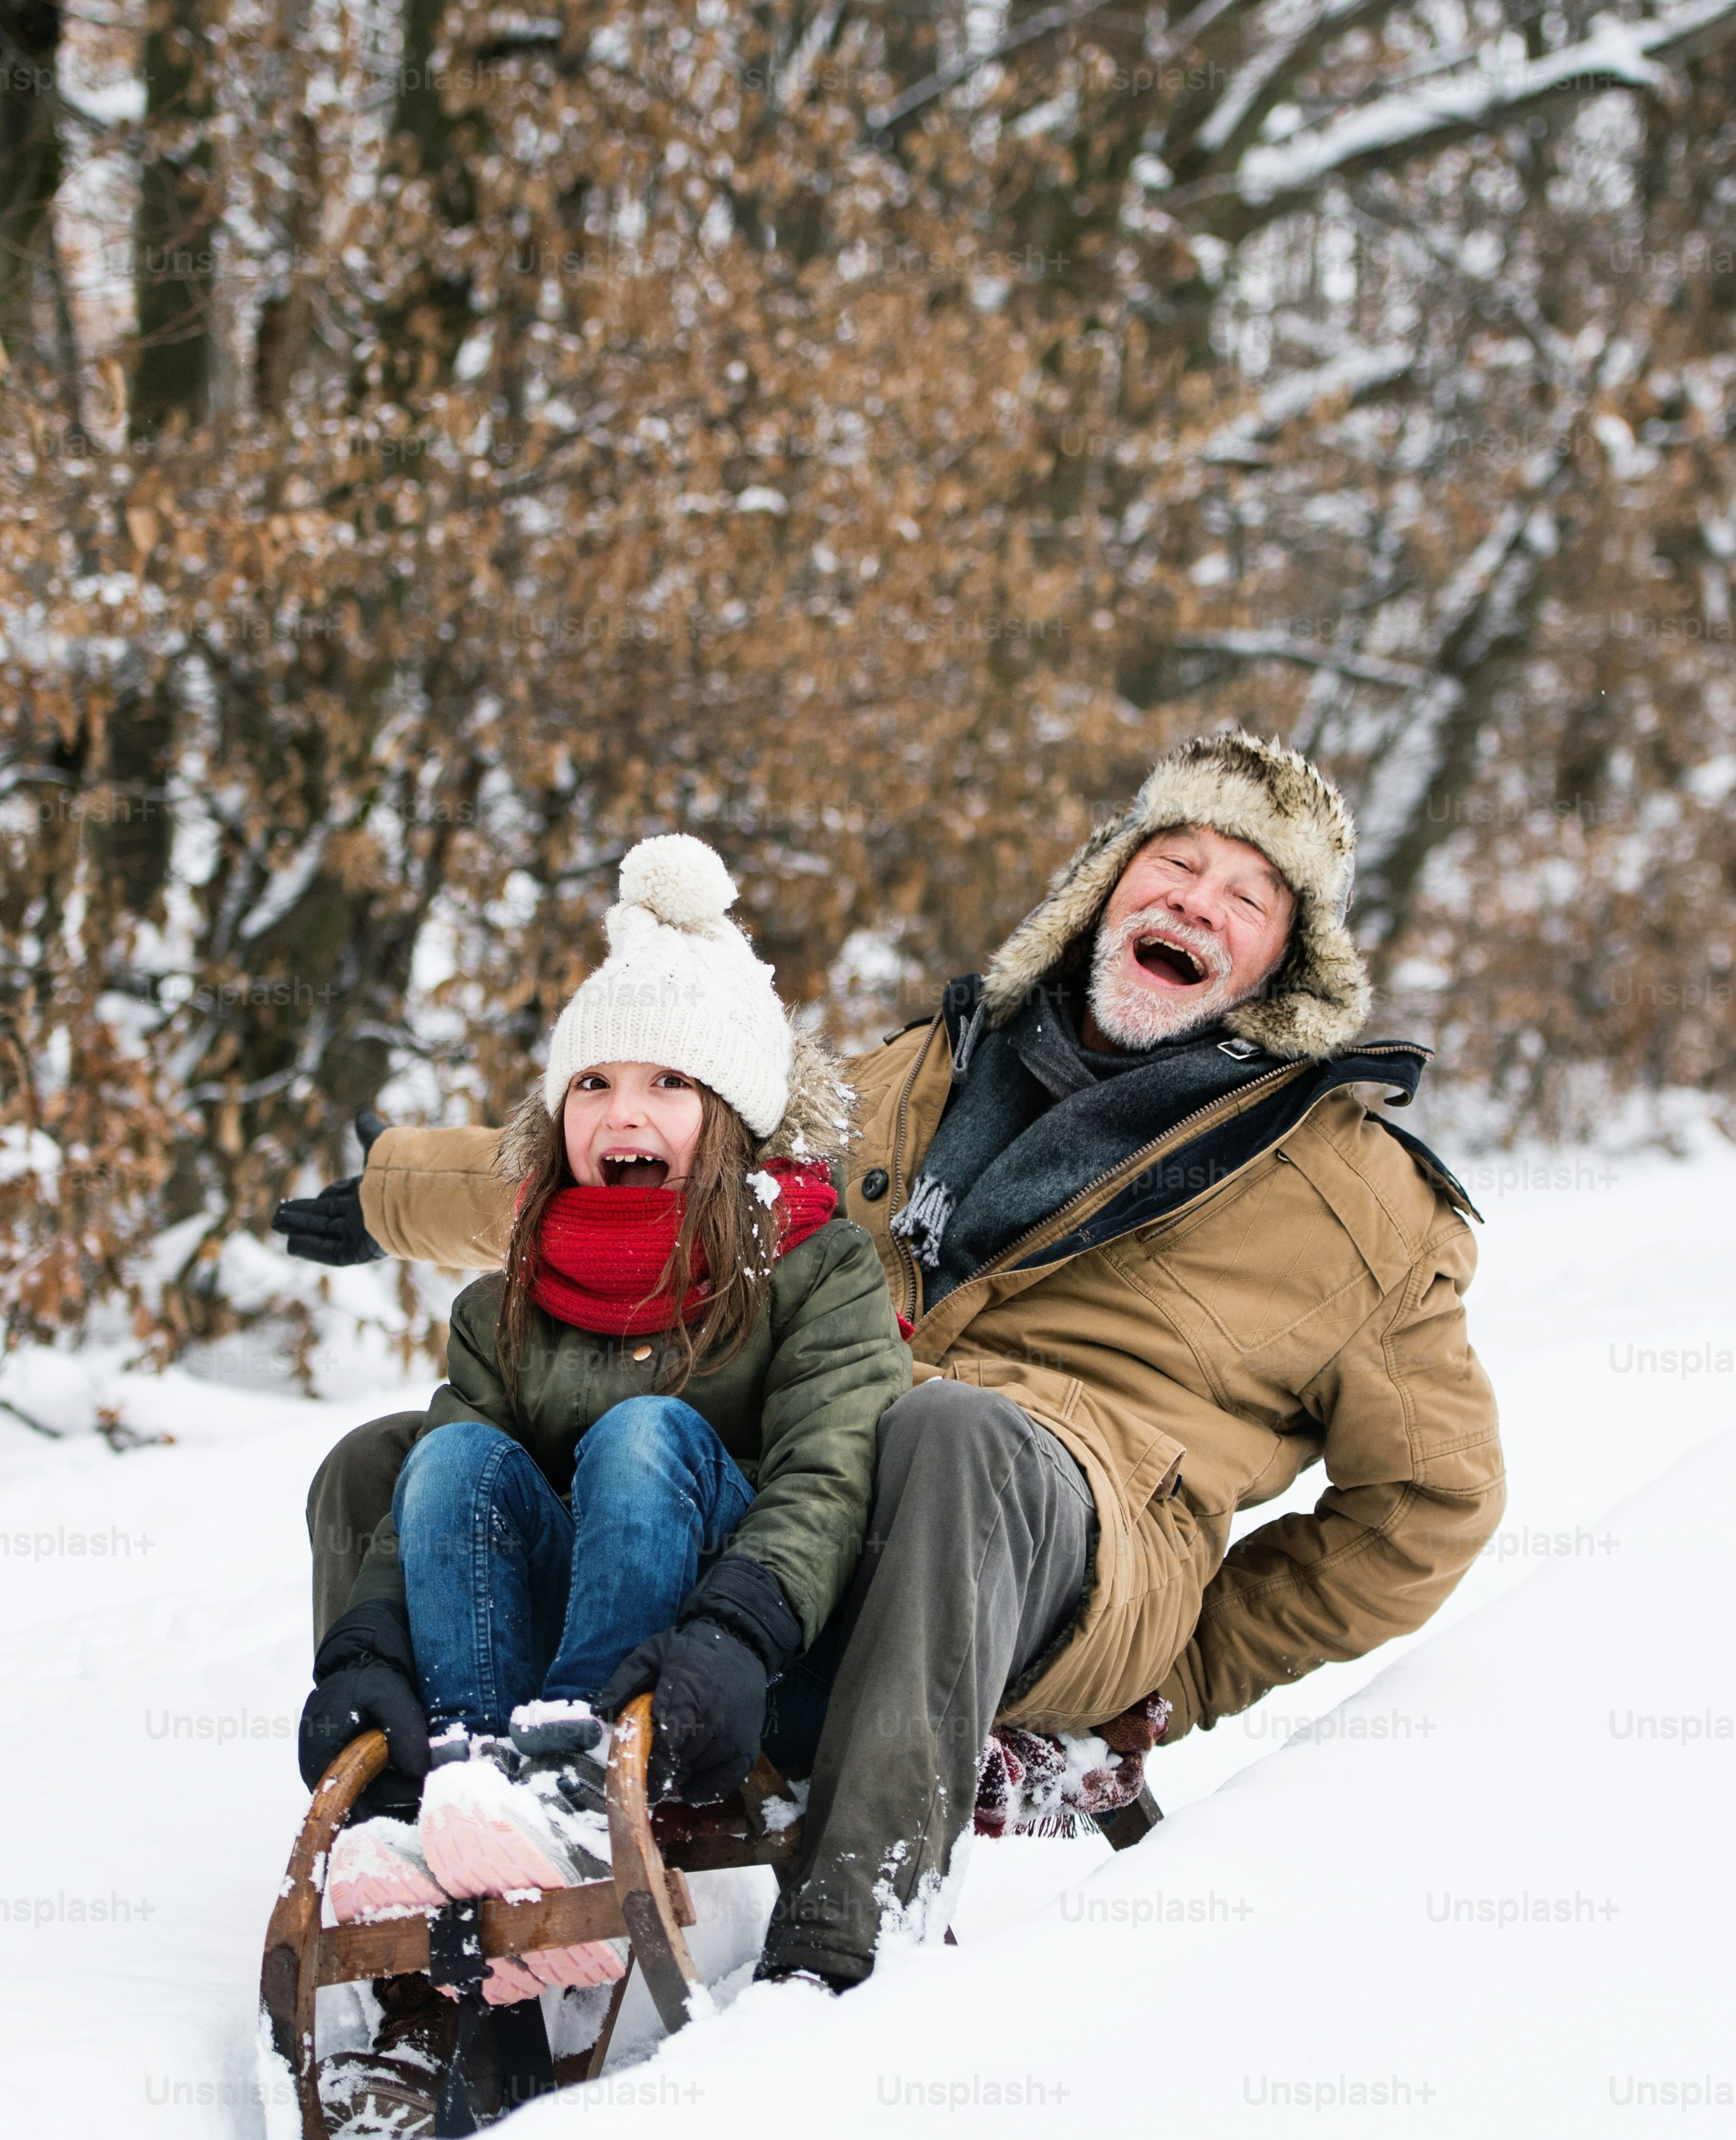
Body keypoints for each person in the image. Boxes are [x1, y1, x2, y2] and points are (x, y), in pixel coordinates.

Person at [280, 730, 1505, 1992]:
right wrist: (395, 1190)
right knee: (397, 1464)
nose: (1197, 898)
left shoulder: (1357, 1199)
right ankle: (423, 1913)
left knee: (950, 1432)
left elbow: (1431, 1505)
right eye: (1174, 861)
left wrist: (1189, 1671)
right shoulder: (929, 1072)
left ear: (1285, 962)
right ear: (1108, 886)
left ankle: (844, 1948)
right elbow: (679, 1169)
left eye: (1248, 894)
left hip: (1069, 1558)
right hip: (821, 1505)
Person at [292, 835, 910, 2008]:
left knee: (644, 1434)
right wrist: (365, 1652)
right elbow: (446, 1491)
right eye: (593, 1083)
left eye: (668, 1083)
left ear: (730, 1116)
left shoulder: (815, 1268)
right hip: (552, 1611)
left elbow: (832, 1473)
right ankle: (474, 1792)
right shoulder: (506, 1302)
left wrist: (740, 1629)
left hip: (724, 1658)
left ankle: (566, 1789)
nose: (624, 1113)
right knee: (458, 1454)